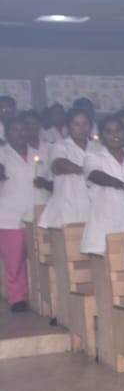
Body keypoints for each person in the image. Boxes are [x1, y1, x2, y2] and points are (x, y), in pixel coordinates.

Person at [80, 115, 124, 256]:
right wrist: (119, 183)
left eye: (119, 130)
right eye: (109, 132)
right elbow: (94, 174)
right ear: (101, 137)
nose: (115, 135)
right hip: (103, 229)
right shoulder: (93, 157)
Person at [38, 107, 99, 230]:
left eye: (85, 124)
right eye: (77, 124)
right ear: (68, 127)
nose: (82, 129)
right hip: (66, 209)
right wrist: (87, 171)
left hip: (93, 209)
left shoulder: (98, 147)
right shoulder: (60, 146)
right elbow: (59, 163)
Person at [0, 115, 37, 310]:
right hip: (9, 216)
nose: (20, 134)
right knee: (14, 261)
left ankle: (38, 297)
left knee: (38, 258)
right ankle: (17, 298)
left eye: (23, 129)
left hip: (36, 213)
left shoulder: (37, 153)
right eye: (15, 130)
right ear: (7, 134)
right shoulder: (2, 154)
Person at [20, 111, 52, 211]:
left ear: (40, 125)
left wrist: (45, 183)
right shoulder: (20, 149)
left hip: (46, 201)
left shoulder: (50, 148)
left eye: (35, 124)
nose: (32, 127)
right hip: (23, 202)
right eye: (27, 124)